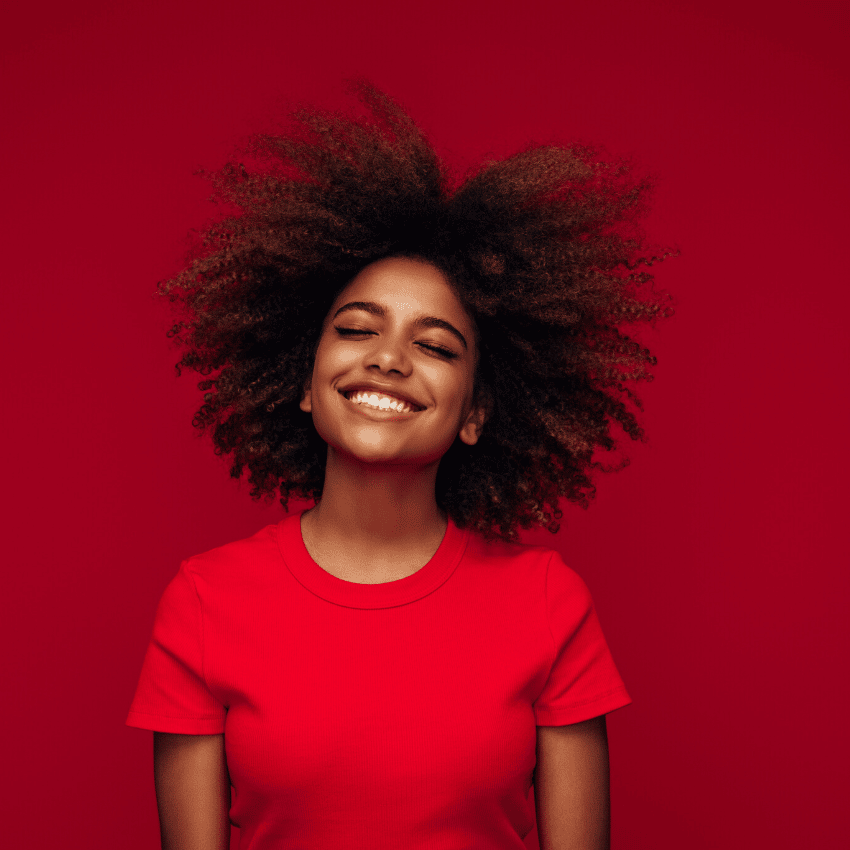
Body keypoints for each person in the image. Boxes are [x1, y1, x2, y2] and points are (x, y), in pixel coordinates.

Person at [126, 81, 673, 850]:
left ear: (477, 411)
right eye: (357, 330)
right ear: (306, 383)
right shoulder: (204, 603)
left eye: (435, 345)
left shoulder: (551, 605)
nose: (388, 359)